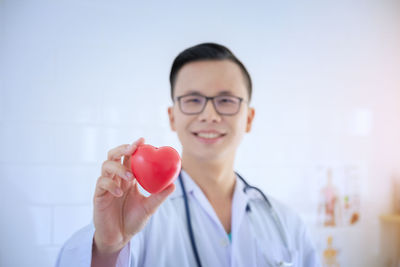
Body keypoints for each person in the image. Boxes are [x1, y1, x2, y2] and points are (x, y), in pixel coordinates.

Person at [55, 43, 321, 267]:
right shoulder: (137, 219)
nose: (209, 115)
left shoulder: (286, 223)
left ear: (249, 118)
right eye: (193, 100)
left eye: (226, 100)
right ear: (172, 117)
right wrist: (109, 248)